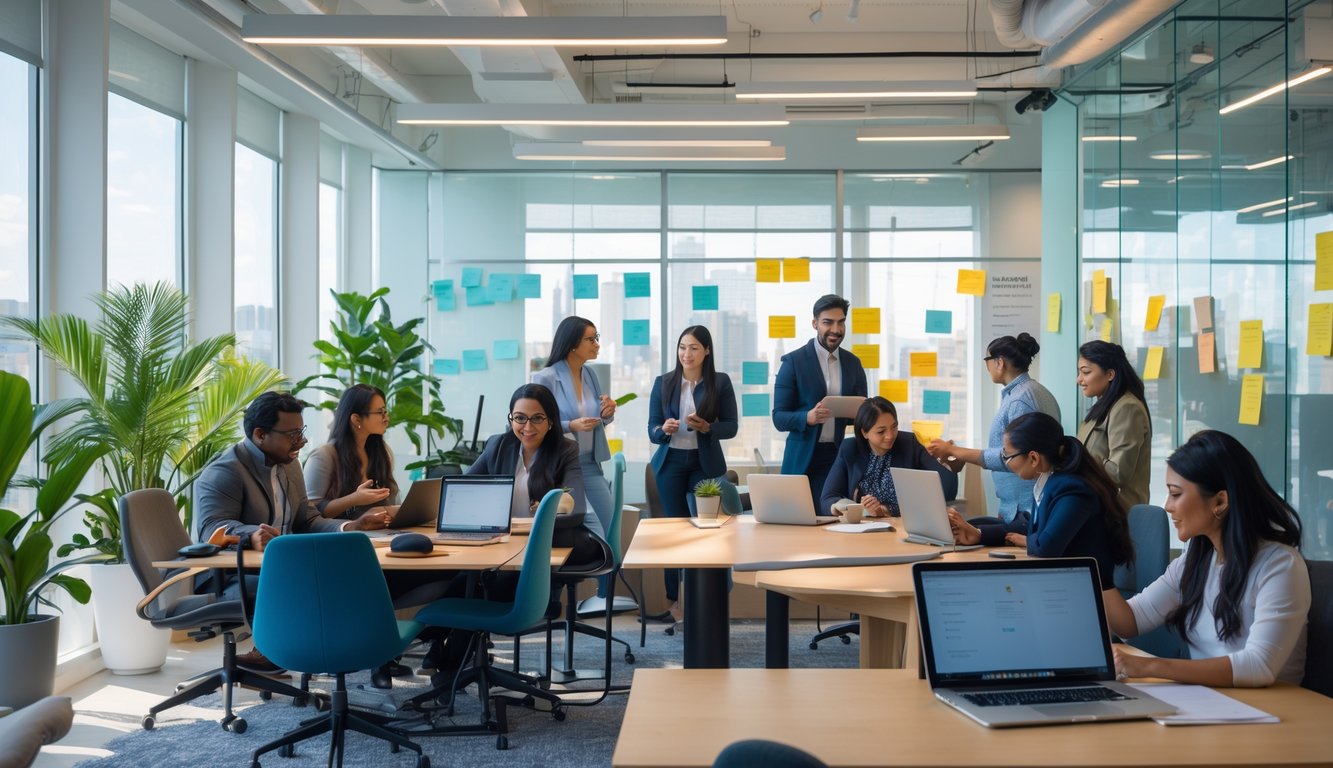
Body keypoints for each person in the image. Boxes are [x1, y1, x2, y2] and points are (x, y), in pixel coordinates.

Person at [195, 391, 392, 673]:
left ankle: (340, 653)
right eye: (291, 434)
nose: (301, 441)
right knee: (332, 580)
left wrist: (351, 527)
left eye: (302, 431)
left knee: (359, 571)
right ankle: (295, 651)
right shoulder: (226, 471)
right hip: (230, 577)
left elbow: (307, 520)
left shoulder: (289, 464)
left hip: (281, 567)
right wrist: (250, 535)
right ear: (260, 434)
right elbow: (211, 528)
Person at [1102, 431, 1309, 687]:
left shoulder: (1280, 566)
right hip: (1212, 704)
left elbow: (1258, 666)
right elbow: (1129, 622)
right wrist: (1098, 567)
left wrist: (1148, 666)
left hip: (1272, 712)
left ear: (1220, 501)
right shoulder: (1195, 561)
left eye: (1176, 494)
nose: (1167, 505)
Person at [948, 412, 1134, 587]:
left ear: (1034, 458)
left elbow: (1046, 547)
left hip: (1084, 590)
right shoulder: (1048, 480)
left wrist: (1030, 540)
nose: (1006, 461)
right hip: (1059, 580)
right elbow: (1027, 527)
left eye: (1008, 455)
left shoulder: (1073, 490)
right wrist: (979, 534)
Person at [648, 326, 738, 621]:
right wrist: (664, 430)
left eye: (694, 348)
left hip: (704, 464)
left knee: (708, 531)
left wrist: (707, 427)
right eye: (682, 347)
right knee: (675, 533)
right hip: (670, 463)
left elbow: (731, 426)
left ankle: (710, 598)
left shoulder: (720, 382)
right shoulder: (663, 383)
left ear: (707, 351)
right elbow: (651, 428)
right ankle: (674, 602)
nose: (686, 354)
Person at [927, 332, 1060, 523]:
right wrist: (961, 456)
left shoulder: (1020, 400)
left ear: (999, 362)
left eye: (987, 360)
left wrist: (954, 450)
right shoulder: (1029, 392)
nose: (986, 367)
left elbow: (1015, 456)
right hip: (1017, 505)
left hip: (1025, 506)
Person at [772, 294, 868, 503]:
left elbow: (863, 416)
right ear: (815, 323)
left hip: (836, 456)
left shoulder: (853, 364)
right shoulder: (793, 362)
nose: (836, 329)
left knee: (830, 515)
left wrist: (860, 412)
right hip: (802, 457)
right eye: (828, 322)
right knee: (796, 520)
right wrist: (808, 417)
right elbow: (779, 418)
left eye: (841, 322)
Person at [532, 316, 612, 545]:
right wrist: (570, 425)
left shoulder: (590, 374)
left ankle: (606, 581)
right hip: (562, 466)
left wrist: (607, 412)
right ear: (572, 343)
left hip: (590, 462)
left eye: (597, 338)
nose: (597, 344)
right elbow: (536, 424)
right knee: (593, 527)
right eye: (591, 339)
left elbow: (598, 420)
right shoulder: (545, 378)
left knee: (609, 528)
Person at [820, 397, 956, 518]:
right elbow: (828, 498)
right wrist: (854, 509)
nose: (890, 435)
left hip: (901, 528)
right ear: (864, 432)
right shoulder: (850, 448)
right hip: (860, 531)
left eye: (894, 427)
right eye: (881, 431)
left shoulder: (908, 443)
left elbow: (947, 489)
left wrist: (884, 510)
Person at [1075, 340, 1152, 509]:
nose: (1079, 380)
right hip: (1097, 506)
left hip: (1117, 513)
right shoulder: (1104, 405)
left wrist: (1075, 458)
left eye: (1085, 372)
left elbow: (1118, 472)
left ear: (1110, 374)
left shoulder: (1127, 407)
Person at [303, 384, 397, 520]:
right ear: (356, 419)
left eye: (385, 412)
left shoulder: (380, 452)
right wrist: (353, 499)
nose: (386, 418)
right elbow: (310, 511)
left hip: (377, 535)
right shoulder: (324, 456)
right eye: (380, 412)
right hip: (338, 537)